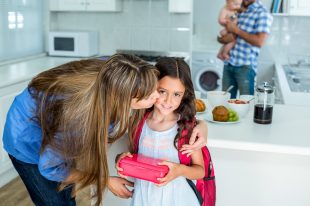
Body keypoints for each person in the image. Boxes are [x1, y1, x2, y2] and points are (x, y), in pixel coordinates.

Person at [2, 54, 208, 206]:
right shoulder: (78, 120)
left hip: (56, 126)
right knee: (55, 201)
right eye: (152, 95)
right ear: (127, 100)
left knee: (67, 192)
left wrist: (200, 125)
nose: (158, 98)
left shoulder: (121, 71)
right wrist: (104, 180)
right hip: (26, 137)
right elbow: (51, 168)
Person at [116, 57, 206, 206]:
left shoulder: (187, 128)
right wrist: (121, 159)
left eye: (177, 94)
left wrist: (179, 171)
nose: (168, 101)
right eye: (162, 91)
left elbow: (200, 170)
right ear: (152, 87)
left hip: (178, 198)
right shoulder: (137, 122)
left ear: (184, 95)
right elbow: (134, 156)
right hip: (143, 197)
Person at [218, 0, 273, 99]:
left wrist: (236, 30)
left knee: (247, 103)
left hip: (245, 67)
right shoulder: (239, 9)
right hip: (229, 63)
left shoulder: (262, 13)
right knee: (226, 102)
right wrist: (221, 39)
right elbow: (230, 32)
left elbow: (260, 41)